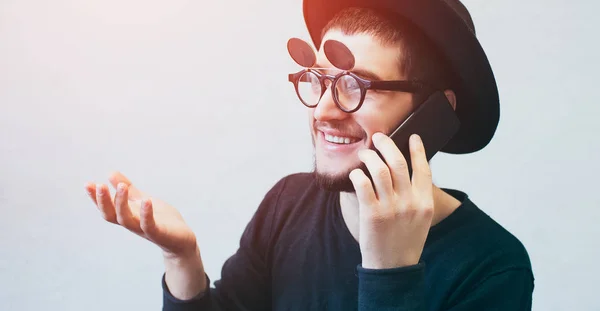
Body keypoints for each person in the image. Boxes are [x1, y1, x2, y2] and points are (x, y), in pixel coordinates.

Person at [85, 0, 535, 310]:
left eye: (356, 86)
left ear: (435, 112)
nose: (322, 110)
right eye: (318, 79)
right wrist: (182, 258)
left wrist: (390, 275)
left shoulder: (493, 267)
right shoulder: (288, 204)